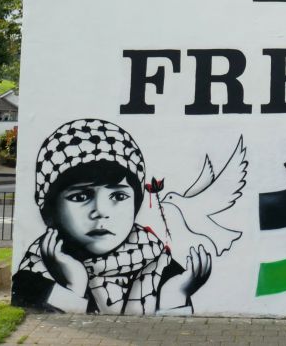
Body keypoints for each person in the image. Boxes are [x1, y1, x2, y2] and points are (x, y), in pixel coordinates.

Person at [12, 119, 211, 314]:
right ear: (50, 207)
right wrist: (73, 288)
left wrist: (174, 296)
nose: (101, 211)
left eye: (118, 196)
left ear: (136, 203)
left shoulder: (164, 268)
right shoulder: (34, 276)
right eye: (80, 197)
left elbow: (170, 331)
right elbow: (51, 327)